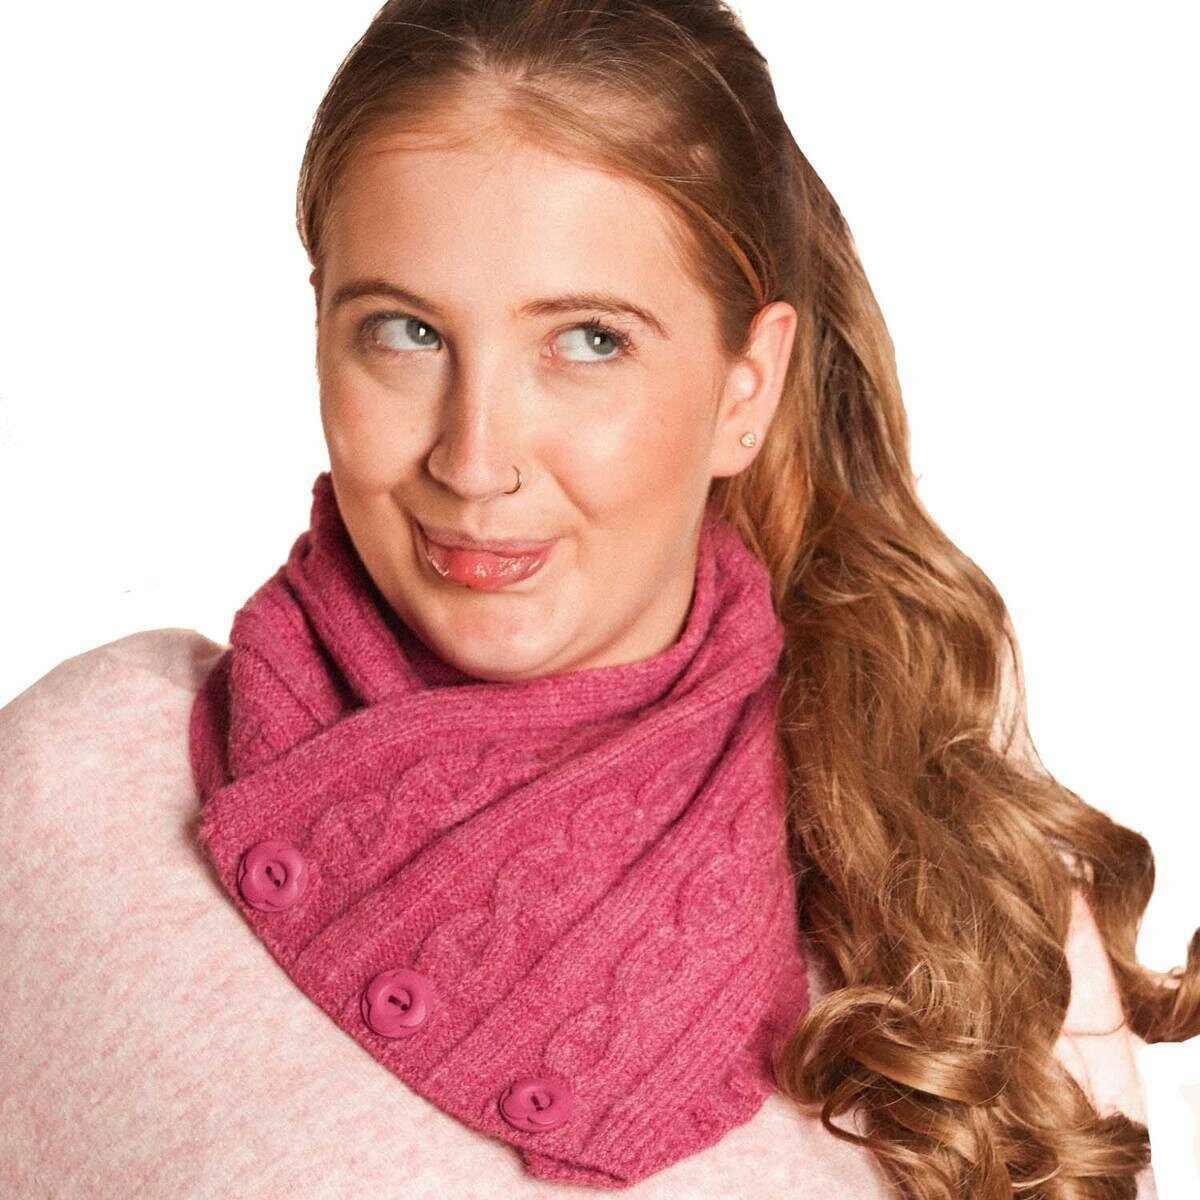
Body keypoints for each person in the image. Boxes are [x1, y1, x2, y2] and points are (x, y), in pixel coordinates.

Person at [1, 2, 1194, 1197]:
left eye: (588, 342)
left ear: (746, 388)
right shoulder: (78, 793)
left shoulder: (973, 918)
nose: (475, 461)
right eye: (405, 331)